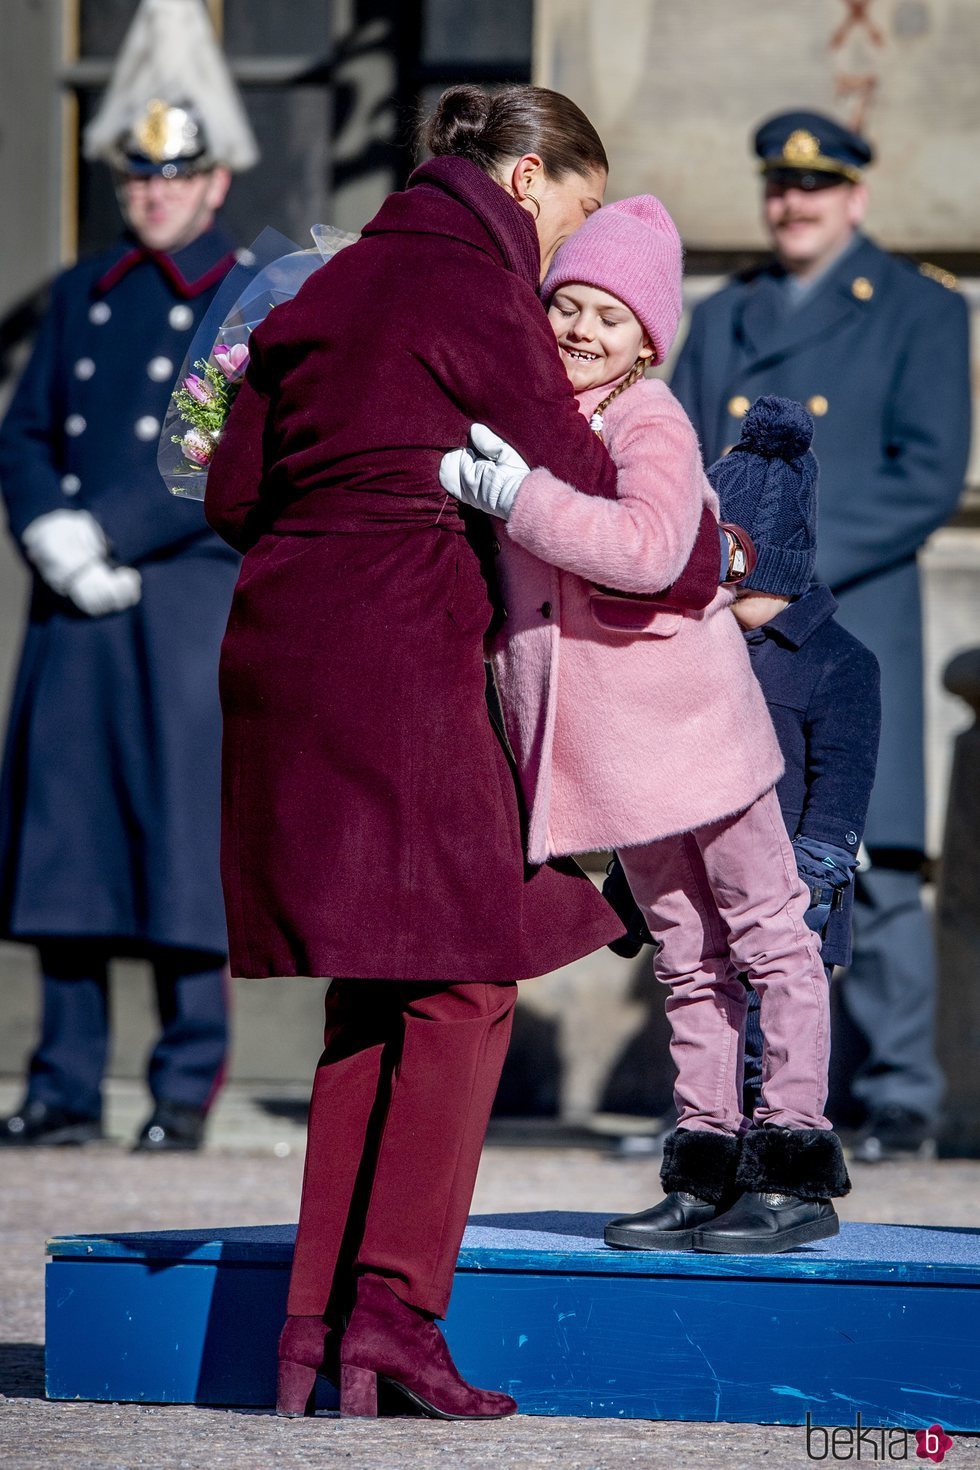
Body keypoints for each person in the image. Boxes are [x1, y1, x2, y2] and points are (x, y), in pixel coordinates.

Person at [204, 86, 724, 1420]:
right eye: (579, 210)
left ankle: (308, 1334)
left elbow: (230, 493)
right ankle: (396, 1321)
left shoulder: (320, 288)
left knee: (375, 985)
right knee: (465, 979)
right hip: (408, 658)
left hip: (284, 654)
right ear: (532, 175)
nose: (566, 247)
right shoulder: (475, 286)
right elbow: (585, 490)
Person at [440, 198, 850, 1255]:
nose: (580, 328)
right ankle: (706, 1161)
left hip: (693, 729)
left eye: (607, 317)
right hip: (618, 755)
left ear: (646, 339)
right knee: (681, 952)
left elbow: (647, 548)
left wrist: (516, 498)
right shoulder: (542, 422)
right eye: (566, 305)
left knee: (767, 932)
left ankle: (791, 1160)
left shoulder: (646, 417)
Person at [671, 109, 972, 1160]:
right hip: (733, 633)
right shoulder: (726, 312)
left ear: (854, 195)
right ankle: (743, 1097)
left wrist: (783, 557)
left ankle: (897, 1095)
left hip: (845, 613)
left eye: (812, 187)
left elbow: (926, 476)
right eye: (775, 187)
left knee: (868, 862)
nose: (789, 204)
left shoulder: (916, 310)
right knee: (731, 864)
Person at [0, 0, 258, 1152]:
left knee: (180, 845)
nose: (157, 193)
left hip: (182, 596)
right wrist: (49, 531)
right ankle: (59, 1083)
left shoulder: (243, 299)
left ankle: (181, 1086)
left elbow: (218, 449)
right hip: (76, 604)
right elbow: (23, 433)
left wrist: (102, 529)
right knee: (67, 843)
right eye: (141, 175)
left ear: (214, 182)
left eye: (178, 174)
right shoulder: (80, 293)